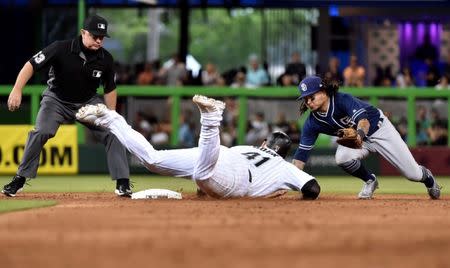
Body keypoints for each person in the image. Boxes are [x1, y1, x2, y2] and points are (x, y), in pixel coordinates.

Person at [76, 95, 321, 199]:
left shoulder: (248, 147)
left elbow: (207, 184)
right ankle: (212, 118)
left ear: (265, 144)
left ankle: (110, 118)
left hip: (224, 155)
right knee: (202, 174)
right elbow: (312, 188)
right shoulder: (282, 166)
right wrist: (281, 194)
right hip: (237, 177)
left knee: (152, 159)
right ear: (283, 153)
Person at [2, 14, 132, 197]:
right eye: (95, 36)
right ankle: (20, 179)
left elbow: (110, 88)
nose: (99, 40)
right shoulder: (60, 48)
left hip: (88, 102)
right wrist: (17, 89)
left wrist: (112, 116)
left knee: (114, 131)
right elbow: (31, 64)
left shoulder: (106, 59)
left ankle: (123, 182)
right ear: (83, 33)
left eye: (102, 37)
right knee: (41, 131)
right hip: (56, 100)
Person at [292, 75, 441, 199]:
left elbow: (364, 121)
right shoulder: (312, 123)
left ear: (323, 91)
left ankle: (428, 178)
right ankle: (370, 180)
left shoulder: (342, 100)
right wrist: (290, 179)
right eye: (305, 99)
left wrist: (360, 135)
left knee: (413, 174)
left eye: (312, 96)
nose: (309, 102)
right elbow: (301, 156)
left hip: (379, 130)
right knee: (342, 158)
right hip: (359, 140)